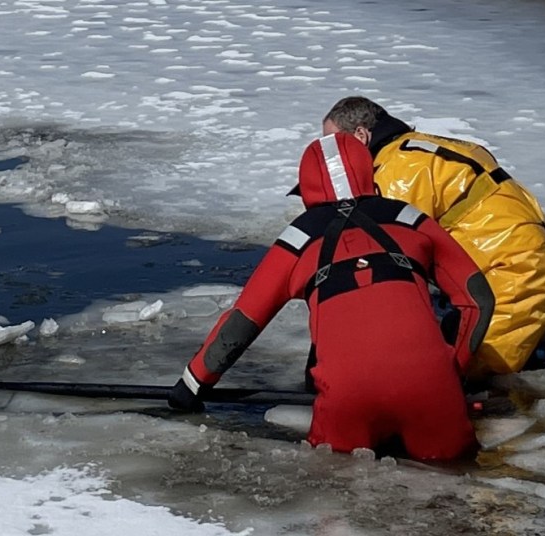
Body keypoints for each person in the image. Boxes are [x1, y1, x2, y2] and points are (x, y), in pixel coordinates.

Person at [168, 132, 494, 460]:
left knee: (335, 492)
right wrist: (452, 371)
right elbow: (478, 299)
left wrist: (192, 385)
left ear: (307, 190)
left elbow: (241, 324)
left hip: (348, 401)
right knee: (454, 485)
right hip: (432, 393)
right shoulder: (411, 219)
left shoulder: (298, 238)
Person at [321, 96, 545, 377]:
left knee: (445, 379)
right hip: (532, 268)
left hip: (511, 282)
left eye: (333, 144)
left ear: (361, 135)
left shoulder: (398, 172)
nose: (330, 157)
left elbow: (394, 255)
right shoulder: (431, 148)